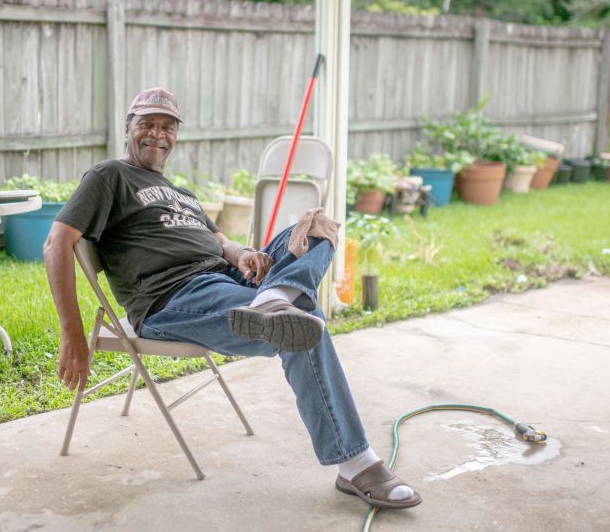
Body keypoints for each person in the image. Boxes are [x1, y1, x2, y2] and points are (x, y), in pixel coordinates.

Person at [43, 87, 421, 510]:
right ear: (128, 128)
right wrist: (71, 334)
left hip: (227, 280)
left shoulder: (181, 193)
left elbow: (219, 241)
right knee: (303, 323)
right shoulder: (109, 176)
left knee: (317, 224)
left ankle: (273, 297)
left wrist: (244, 255)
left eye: (167, 126)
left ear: (176, 136)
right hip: (173, 296)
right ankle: (356, 463)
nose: (157, 134)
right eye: (146, 124)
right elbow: (58, 243)